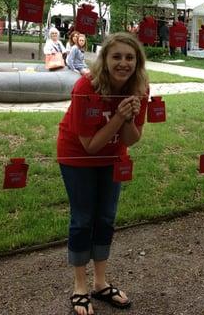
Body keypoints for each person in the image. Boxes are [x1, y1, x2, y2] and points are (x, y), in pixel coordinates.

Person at [57, 32, 149, 315]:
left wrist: (129, 117)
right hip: (77, 157)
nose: (124, 63)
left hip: (114, 158)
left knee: (106, 218)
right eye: (117, 56)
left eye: (130, 57)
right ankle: (80, 287)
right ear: (105, 59)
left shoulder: (140, 88)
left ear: (138, 61)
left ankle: (100, 283)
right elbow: (91, 145)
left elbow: (132, 140)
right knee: (83, 219)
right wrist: (120, 116)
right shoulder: (87, 86)